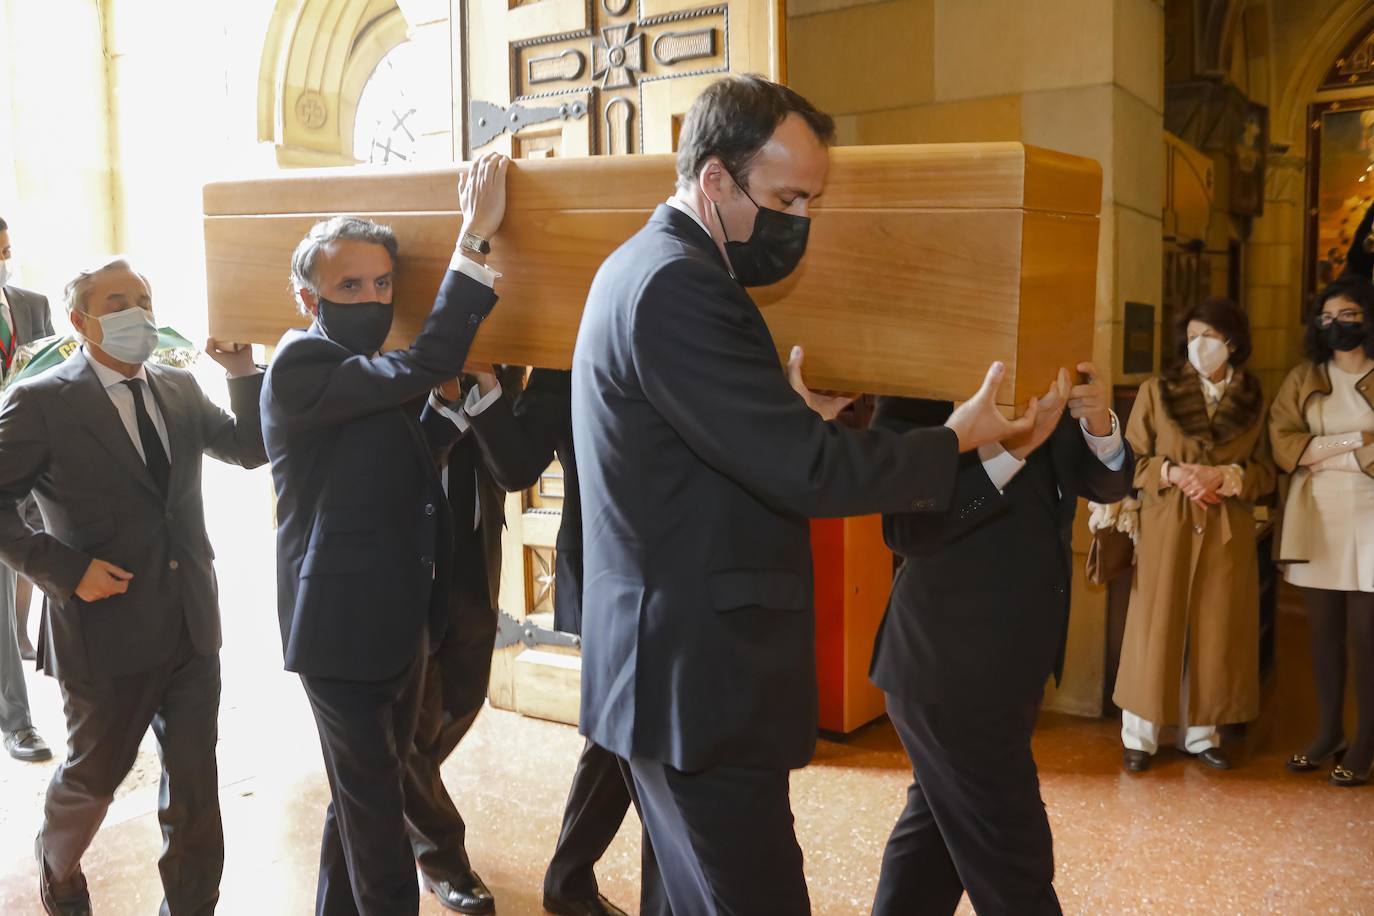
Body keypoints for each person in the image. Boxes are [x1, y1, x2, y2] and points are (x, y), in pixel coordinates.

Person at [571, 74, 1037, 913]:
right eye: (788, 197)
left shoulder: (648, 265)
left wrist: (787, 418)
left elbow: (711, 448)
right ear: (715, 179)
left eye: (813, 201)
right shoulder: (679, 282)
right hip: (695, 680)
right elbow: (806, 473)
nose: (801, 221)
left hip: (675, 671)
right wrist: (953, 438)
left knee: (688, 898)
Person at [261, 152, 508, 916]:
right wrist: (476, 239)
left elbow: (404, 456)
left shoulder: (358, 373)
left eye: (382, 284)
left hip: (397, 627)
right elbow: (430, 356)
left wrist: (462, 405)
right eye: (350, 287)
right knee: (378, 827)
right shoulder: (302, 363)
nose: (372, 299)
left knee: (358, 799)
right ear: (310, 297)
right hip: (340, 635)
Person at [0, 255, 266, 915]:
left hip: (189, 624)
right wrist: (65, 570)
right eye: (117, 302)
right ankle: (59, 873)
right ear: (80, 321)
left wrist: (241, 373)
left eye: (143, 299)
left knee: (196, 788)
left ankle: (191, 905)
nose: (136, 314)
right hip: (102, 629)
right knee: (94, 778)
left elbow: (249, 447)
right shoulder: (41, 401)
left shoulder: (177, 389)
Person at [865, 364, 1133, 916]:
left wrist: (1100, 424)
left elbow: (1105, 482)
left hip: (1011, 661)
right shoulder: (918, 388)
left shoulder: (1036, 361)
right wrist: (1007, 454)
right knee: (1017, 866)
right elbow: (907, 531)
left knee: (932, 844)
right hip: (949, 669)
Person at [462, 366, 633, 916]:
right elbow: (515, 467)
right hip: (608, 565)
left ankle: (570, 878)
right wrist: (487, 384)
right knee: (626, 728)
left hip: (678, 565)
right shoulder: (567, 358)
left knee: (623, 729)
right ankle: (571, 879)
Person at [1113, 297, 1276, 773]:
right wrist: (1173, 472)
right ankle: (1139, 735)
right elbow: (1130, 461)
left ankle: (1202, 732)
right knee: (1156, 624)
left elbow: (1269, 469)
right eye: (1192, 338)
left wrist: (1227, 476)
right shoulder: (1157, 391)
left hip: (1227, 527)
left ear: (1233, 342)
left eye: (1210, 337)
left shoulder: (1255, 398)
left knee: (1217, 625)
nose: (1200, 346)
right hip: (1169, 522)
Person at [402, 364, 525, 914]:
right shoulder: (386, 356)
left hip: (472, 557)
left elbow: (514, 465)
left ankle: (393, 796)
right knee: (407, 726)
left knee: (462, 700)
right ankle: (442, 854)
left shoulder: (501, 367)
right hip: (405, 567)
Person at [1270, 275, 1374, 787]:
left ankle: (1365, 742)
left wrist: (1322, 452)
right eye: (1329, 317)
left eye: (1349, 314)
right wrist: (1358, 443)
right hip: (1316, 518)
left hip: (1373, 519)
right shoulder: (1303, 377)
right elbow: (1287, 448)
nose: (1338, 324)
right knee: (1323, 636)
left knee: (1366, 636)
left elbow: (1310, 452)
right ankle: (1328, 731)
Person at [0, 215, 56, 763]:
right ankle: (16, 722)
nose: (5, 261)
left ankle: (26, 634)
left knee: (49, 553)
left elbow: (51, 368)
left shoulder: (32, 304)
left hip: (32, 458)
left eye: (7, 250)